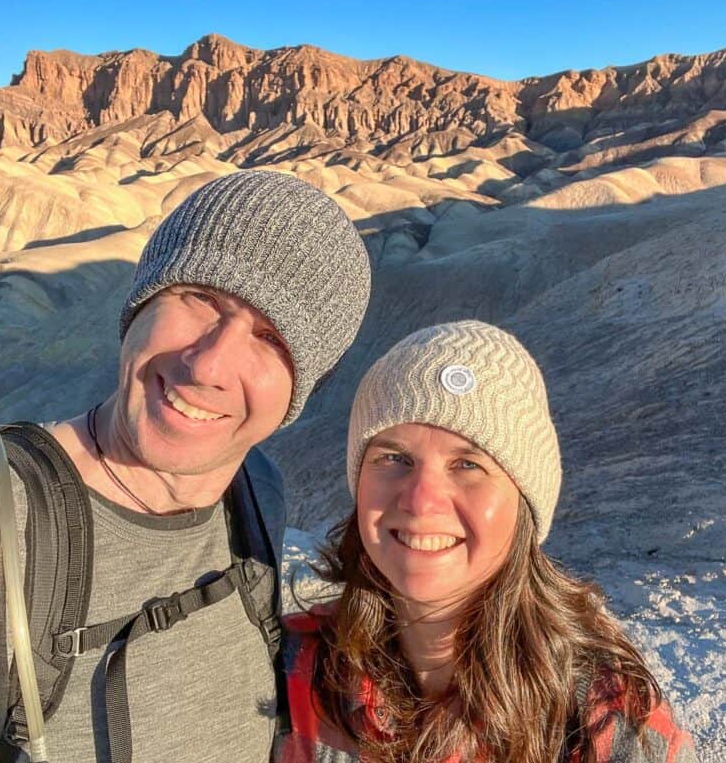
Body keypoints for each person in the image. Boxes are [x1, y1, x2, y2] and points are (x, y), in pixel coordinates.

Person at [0, 169, 371, 762]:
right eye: (200, 298)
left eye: (271, 338)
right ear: (141, 299)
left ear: (304, 389)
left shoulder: (258, 495)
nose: (208, 364)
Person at [276, 321, 696, 763]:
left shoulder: (603, 714)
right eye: (394, 458)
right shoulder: (293, 673)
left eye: (468, 465)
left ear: (524, 502)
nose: (421, 501)